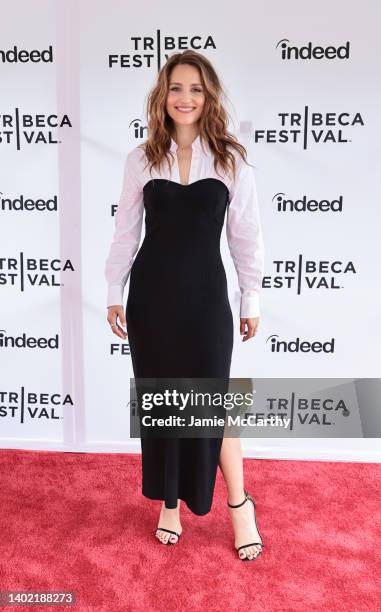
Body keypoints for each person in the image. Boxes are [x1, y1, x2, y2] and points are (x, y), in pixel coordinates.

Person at [105, 50, 265, 561]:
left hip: (205, 305)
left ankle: (240, 505)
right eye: (176, 87)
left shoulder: (232, 160)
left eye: (195, 88)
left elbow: (247, 239)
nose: (185, 98)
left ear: (209, 94)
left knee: (212, 409)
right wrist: (113, 290)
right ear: (162, 95)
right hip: (152, 303)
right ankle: (169, 503)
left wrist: (252, 296)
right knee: (165, 407)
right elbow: (125, 233)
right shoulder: (141, 159)